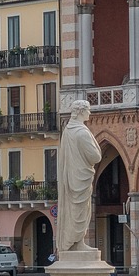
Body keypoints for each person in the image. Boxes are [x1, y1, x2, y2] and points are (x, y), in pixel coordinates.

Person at [56, 100, 102, 252]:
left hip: (72, 178)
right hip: (80, 178)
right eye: (88, 110)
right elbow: (95, 157)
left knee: (73, 211)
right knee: (80, 211)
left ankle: (75, 243)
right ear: (82, 112)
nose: (90, 113)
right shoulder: (81, 133)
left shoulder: (68, 130)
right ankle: (76, 243)